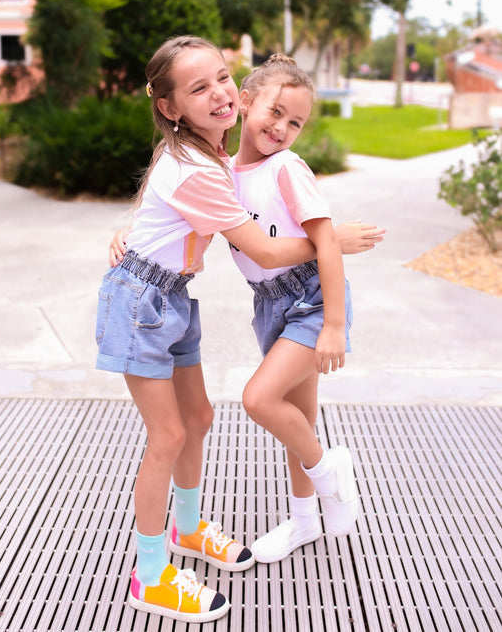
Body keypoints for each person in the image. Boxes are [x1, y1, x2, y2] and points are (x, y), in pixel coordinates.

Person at [96, 36, 320, 624]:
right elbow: (264, 252)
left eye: (222, 77)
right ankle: (149, 577)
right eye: (199, 88)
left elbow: (152, 192)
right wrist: (332, 239)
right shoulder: (196, 168)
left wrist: (129, 226)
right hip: (140, 302)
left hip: (170, 296)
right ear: (170, 108)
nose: (220, 92)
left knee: (198, 419)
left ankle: (187, 529)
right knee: (167, 437)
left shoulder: (206, 156)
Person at [231, 54, 370, 564]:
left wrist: (334, 323)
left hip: (310, 299)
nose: (283, 128)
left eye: (296, 122)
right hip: (270, 305)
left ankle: (331, 470)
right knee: (299, 417)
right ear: (245, 103)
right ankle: (305, 520)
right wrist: (129, 232)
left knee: (259, 399)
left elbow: (327, 244)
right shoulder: (225, 173)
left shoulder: (287, 167)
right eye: (276, 111)